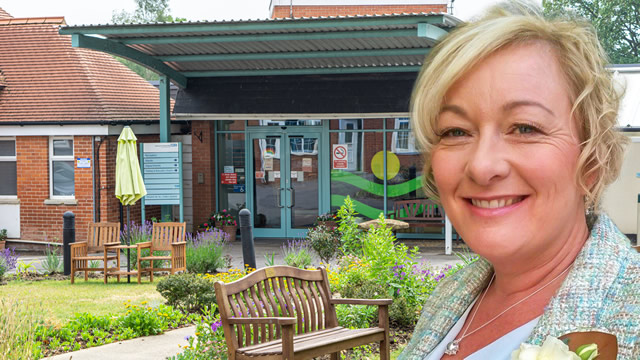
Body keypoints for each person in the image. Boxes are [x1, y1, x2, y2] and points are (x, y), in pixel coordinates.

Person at [399, 1, 640, 359]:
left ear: (592, 155)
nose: (482, 166)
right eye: (456, 131)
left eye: (525, 127)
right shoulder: (451, 295)